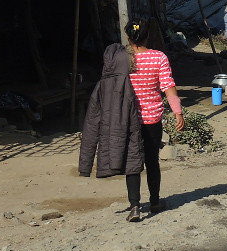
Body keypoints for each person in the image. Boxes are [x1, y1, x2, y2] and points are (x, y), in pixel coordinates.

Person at [124, 19, 185, 221]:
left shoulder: (123, 59)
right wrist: (178, 112)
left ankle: (134, 207)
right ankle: (155, 201)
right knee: (152, 161)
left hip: (129, 120)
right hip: (152, 120)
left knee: (132, 163)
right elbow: (169, 86)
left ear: (127, 37)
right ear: (147, 36)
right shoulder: (159, 58)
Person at [79, 43, 144, 221]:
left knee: (131, 164)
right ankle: (136, 205)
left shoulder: (101, 86)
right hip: (134, 129)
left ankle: (135, 206)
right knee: (133, 167)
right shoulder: (133, 80)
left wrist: (85, 167)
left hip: (110, 136)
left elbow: (91, 125)